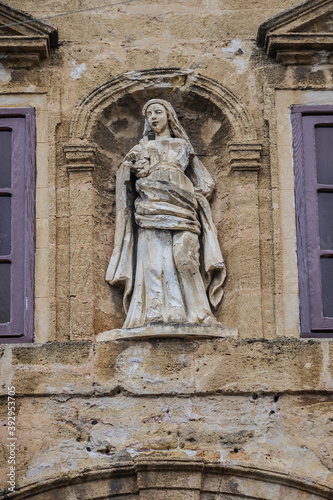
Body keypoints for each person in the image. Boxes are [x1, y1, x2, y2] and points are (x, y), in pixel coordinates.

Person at [106, 98, 226, 328]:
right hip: (150, 206)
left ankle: (199, 313)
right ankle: (156, 312)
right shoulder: (141, 148)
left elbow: (206, 183)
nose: (153, 117)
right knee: (154, 261)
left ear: (168, 115)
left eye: (157, 112)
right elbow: (126, 175)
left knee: (185, 258)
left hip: (182, 208)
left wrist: (191, 197)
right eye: (149, 113)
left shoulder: (182, 146)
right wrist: (133, 172)